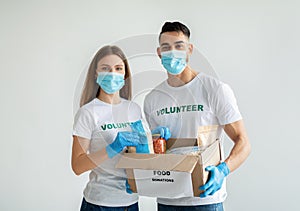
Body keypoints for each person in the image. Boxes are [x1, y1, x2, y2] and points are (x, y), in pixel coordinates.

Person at [143, 21, 251, 211]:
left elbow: (243, 142)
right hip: (166, 200)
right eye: (166, 47)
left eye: (179, 46)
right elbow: (155, 152)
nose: (172, 52)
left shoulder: (214, 90)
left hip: (204, 200)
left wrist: (223, 170)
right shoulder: (153, 99)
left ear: (190, 50)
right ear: (159, 53)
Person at [71, 45, 151, 211]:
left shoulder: (133, 109)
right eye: (105, 68)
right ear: (96, 74)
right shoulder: (88, 112)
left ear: (125, 74)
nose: (112, 73)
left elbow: (141, 155)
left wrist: (154, 139)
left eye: (118, 68)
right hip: (100, 203)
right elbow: (77, 166)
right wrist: (112, 148)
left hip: (131, 202)